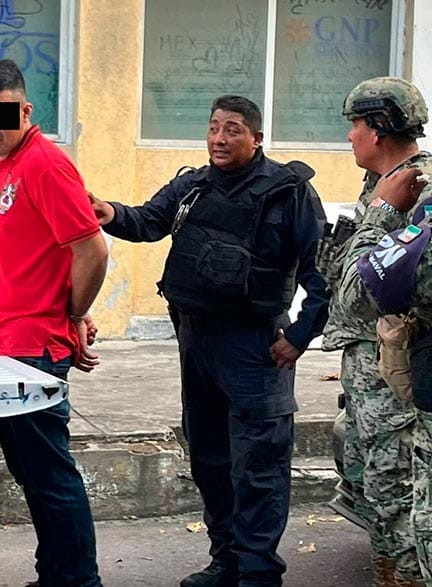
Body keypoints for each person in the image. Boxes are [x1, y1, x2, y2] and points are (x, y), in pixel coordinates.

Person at [91, 95, 329, 587]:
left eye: (232, 129)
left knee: (258, 466)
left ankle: (258, 574)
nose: (219, 139)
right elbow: (148, 221)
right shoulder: (193, 186)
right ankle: (227, 562)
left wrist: (301, 335)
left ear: (256, 138)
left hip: (255, 347)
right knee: (210, 460)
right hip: (196, 341)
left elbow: (322, 270)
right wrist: (108, 211)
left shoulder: (289, 193)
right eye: (214, 127)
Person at [0, 59, 108, 587]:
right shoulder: (5, 164)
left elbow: (91, 248)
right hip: (2, 346)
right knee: (32, 474)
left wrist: (71, 314)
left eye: (1, 116)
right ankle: (57, 575)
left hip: (33, 349)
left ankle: (77, 580)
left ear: (26, 111)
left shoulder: (45, 165)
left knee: (49, 475)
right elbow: (47, 254)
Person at [318, 77, 427, 587]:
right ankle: (390, 573)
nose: (349, 136)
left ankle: (405, 577)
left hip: (394, 375)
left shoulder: (416, 190)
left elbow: (368, 288)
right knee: (372, 488)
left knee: (397, 490)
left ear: (379, 128)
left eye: (355, 125)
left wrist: (381, 216)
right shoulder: (379, 185)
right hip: (366, 370)